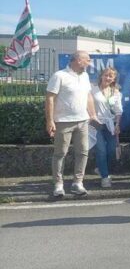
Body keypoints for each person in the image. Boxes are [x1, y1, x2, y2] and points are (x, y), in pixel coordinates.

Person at [45, 51, 96, 197]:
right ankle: (58, 185)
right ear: (79, 60)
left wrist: (92, 115)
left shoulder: (85, 76)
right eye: (88, 60)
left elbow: (88, 96)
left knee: (83, 152)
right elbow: (49, 98)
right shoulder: (59, 76)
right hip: (63, 122)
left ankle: (78, 183)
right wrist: (50, 120)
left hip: (83, 121)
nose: (90, 63)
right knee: (60, 153)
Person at [91, 67, 123, 188]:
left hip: (111, 125)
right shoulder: (92, 89)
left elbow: (118, 111)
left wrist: (117, 125)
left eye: (111, 76)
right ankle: (105, 177)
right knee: (101, 150)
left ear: (114, 79)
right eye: (106, 75)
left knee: (111, 151)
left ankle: (101, 168)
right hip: (95, 124)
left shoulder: (116, 92)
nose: (108, 78)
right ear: (101, 76)